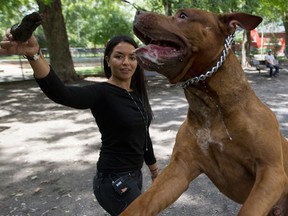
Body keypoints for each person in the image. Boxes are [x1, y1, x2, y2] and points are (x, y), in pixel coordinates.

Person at [0, 31, 159, 215]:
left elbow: (143, 134)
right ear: (108, 60)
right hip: (113, 180)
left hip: (134, 176)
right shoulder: (101, 93)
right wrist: (34, 54)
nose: (126, 62)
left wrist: (154, 171)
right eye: (119, 56)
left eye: (132, 57)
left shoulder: (136, 94)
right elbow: (61, 93)